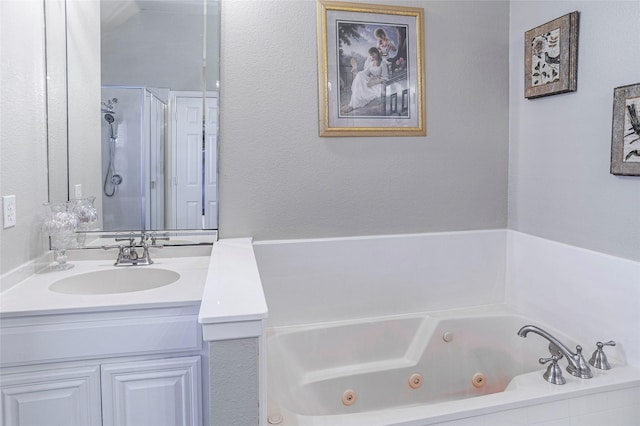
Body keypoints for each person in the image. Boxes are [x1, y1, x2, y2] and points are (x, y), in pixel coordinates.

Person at [342, 47, 389, 113]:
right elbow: (364, 73)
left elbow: (385, 77)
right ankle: (352, 105)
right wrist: (356, 70)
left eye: (373, 54)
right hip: (371, 81)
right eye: (371, 55)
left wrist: (375, 82)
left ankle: (352, 105)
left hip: (378, 84)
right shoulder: (371, 63)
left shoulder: (382, 63)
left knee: (360, 82)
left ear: (377, 53)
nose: (372, 56)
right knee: (359, 76)